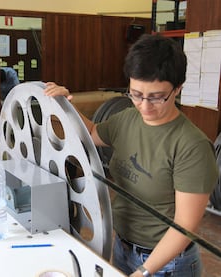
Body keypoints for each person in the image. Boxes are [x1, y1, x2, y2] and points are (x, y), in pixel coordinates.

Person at [44, 34, 218, 277]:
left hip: (167, 264)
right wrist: (65, 103)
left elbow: (184, 226)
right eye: (136, 94)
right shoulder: (128, 119)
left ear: (178, 89)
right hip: (123, 247)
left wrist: (144, 272)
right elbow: (92, 133)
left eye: (157, 97)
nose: (144, 106)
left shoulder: (192, 146)